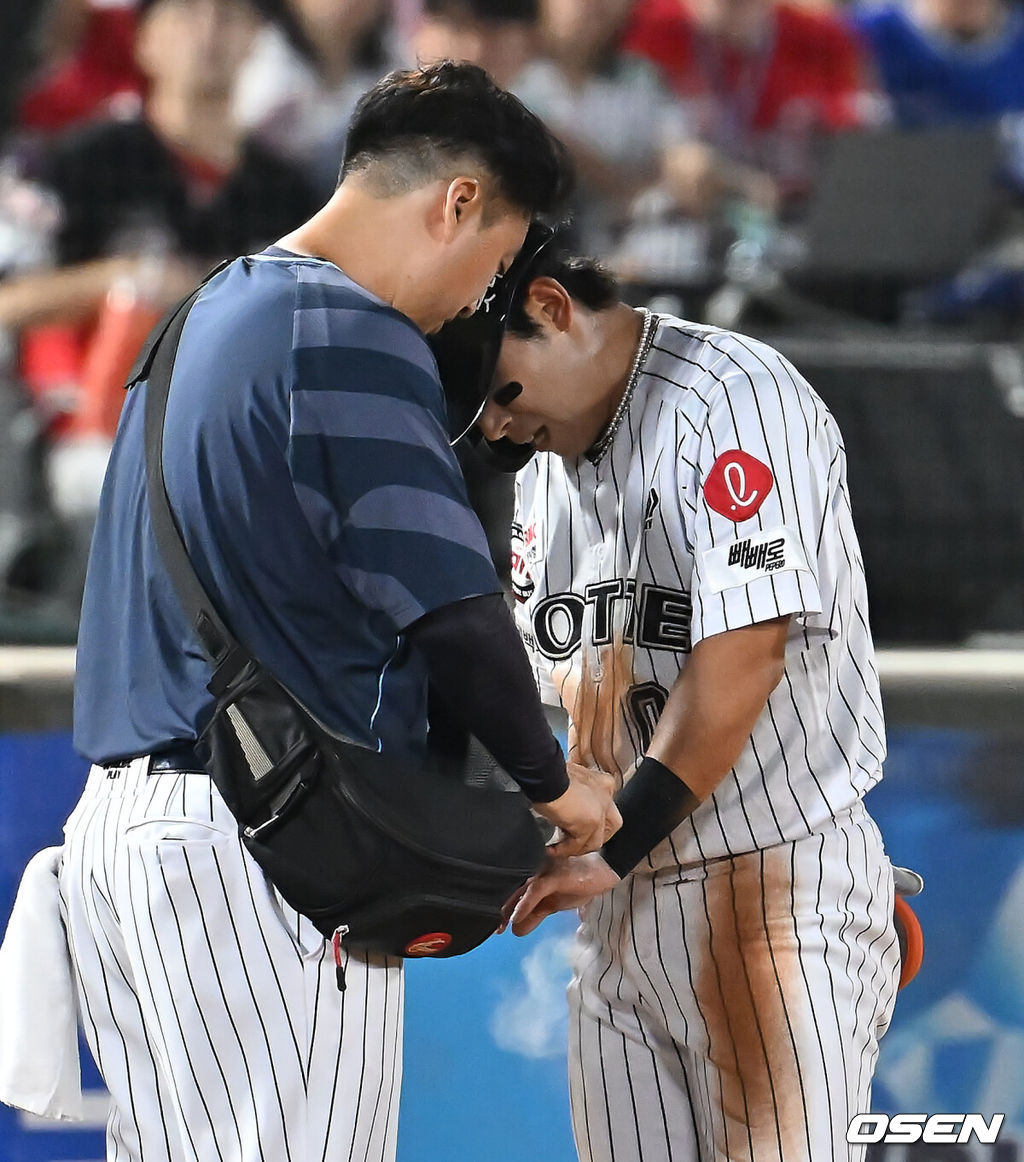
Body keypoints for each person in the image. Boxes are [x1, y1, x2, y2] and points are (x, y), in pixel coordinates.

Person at [58, 62, 619, 1162]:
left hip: (133, 841)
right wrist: (553, 787)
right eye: (495, 262)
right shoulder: (346, 328)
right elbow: (452, 610)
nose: (475, 300)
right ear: (456, 201)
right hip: (258, 848)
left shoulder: (208, 311)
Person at [461, 247, 901, 1160]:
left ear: (552, 306)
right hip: (617, 904)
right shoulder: (542, 466)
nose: (497, 426)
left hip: (769, 891)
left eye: (500, 390)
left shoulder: (732, 396)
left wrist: (619, 839)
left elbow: (746, 654)